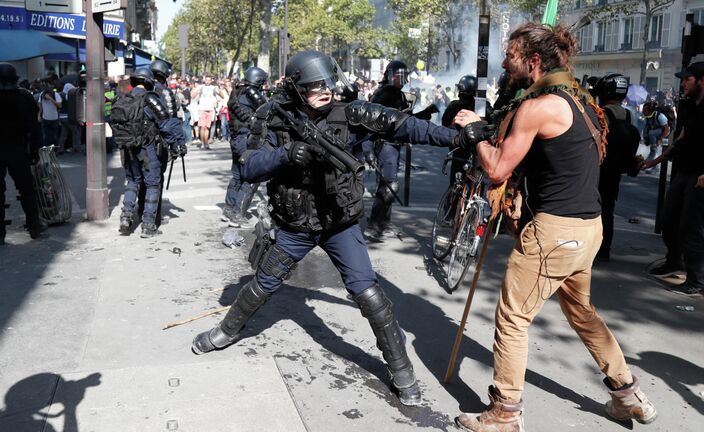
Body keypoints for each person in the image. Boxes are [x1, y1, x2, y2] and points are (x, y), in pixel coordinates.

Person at [191, 50, 458, 407]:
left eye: (327, 83)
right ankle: (224, 332)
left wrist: (458, 138)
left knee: (367, 293)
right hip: (295, 226)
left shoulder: (349, 110)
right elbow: (249, 166)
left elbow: (403, 125)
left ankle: (402, 371)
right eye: (315, 85)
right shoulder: (273, 116)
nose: (325, 90)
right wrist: (287, 155)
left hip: (339, 223)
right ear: (297, 88)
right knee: (264, 283)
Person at [452, 23, 657, 431]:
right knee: (582, 313)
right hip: (588, 228)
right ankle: (628, 395)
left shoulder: (539, 106)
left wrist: (473, 130)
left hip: (554, 233)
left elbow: (496, 168)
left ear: (532, 62)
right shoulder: (581, 100)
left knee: (512, 318)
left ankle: (504, 414)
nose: (505, 66)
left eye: (510, 59)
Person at [642, 61, 704, 297]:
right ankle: (674, 261)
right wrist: (656, 161)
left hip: (703, 176)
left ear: (702, 80)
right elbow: (681, 139)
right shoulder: (690, 106)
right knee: (668, 220)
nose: (682, 83)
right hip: (684, 172)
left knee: (690, 227)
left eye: (687, 79)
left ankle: (698, 280)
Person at [111, 67, 184, 238]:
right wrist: (174, 145)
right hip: (148, 148)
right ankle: (148, 225)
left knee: (132, 181)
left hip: (128, 147)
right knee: (152, 184)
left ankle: (126, 217)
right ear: (149, 81)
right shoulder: (151, 99)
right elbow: (165, 125)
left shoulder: (124, 97)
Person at [591, 73, 642, 261]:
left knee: (594, 210)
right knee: (608, 210)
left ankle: (593, 248)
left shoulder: (601, 113)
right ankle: (605, 249)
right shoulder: (629, 114)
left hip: (599, 168)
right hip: (615, 170)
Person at [0, 63, 48, 244]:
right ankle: (34, 227)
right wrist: (36, 150)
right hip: (17, 149)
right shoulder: (24, 97)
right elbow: (34, 128)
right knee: (27, 190)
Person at [366, 60, 410, 237]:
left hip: (393, 144)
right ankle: (374, 225)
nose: (403, 80)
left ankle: (384, 222)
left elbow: (401, 118)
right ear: (391, 76)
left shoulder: (397, 94)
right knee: (388, 185)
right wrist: (368, 148)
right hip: (385, 144)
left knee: (389, 185)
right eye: (400, 77)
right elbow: (370, 120)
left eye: (405, 77)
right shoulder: (383, 93)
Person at [221, 67, 268, 227]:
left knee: (237, 175)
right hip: (246, 139)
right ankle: (237, 214)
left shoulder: (237, 91)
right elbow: (269, 109)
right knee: (251, 177)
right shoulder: (252, 93)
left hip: (236, 138)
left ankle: (228, 209)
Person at [149, 60, 188, 227]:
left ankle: (140, 213)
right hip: (160, 142)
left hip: (139, 141)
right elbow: (172, 121)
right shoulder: (165, 93)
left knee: (142, 181)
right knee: (156, 180)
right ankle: (153, 218)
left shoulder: (144, 89)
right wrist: (179, 143)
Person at [641, 100, 669, 174]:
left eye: (644, 110)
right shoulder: (647, 118)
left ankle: (655, 167)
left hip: (663, 132)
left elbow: (666, 129)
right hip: (654, 133)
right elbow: (645, 129)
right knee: (648, 133)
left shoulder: (660, 116)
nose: (643, 111)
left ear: (650, 110)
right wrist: (646, 139)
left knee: (651, 133)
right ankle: (648, 164)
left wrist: (660, 139)